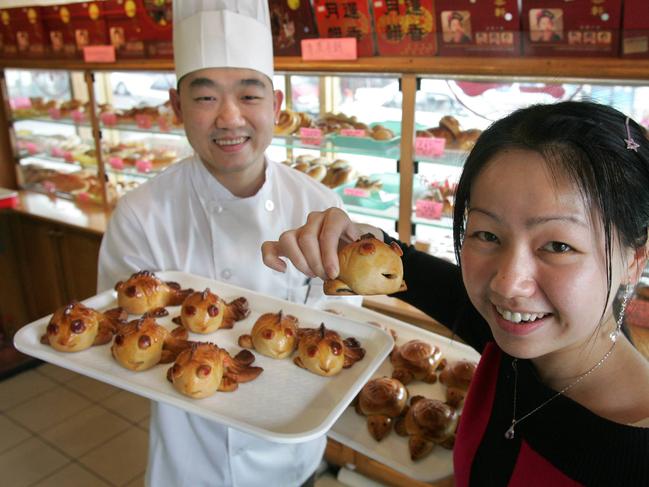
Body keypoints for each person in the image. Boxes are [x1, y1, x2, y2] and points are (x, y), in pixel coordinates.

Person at [262, 101, 649, 486]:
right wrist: (358, 242)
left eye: (558, 246)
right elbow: (416, 271)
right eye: (487, 235)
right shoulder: (513, 337)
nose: (506, 284)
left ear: (634, 259)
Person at [97, 1, 345, 486]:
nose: (230, 118)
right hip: (192, 463)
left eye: (249, 96)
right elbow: (121, 340)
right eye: (206, 98)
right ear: (177, 107)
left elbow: (342, 322)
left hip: (294, 457)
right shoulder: (141, 215)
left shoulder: (318, 204)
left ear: (276, 106)